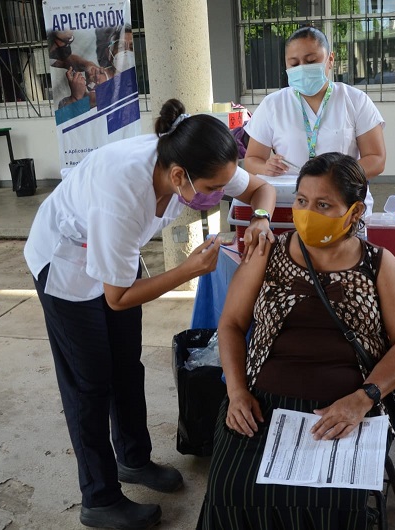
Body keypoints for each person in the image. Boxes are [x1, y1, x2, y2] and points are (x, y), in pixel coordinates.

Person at [24, 99, 277, 530]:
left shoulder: (195, 159)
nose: (219, 195)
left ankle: (133, 459)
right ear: (179, 176)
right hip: (65, 261)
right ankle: (99, 498)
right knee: (89, 383)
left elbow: (260, 189)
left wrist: (260, 219)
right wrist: (186, 270)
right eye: (213, 188)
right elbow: (119, 297)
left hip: (113, 259)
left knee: (126, 366)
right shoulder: (121, 192)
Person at [197, 152, 395, 529]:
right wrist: (236, 393)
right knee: (231, 491)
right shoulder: (267, 253)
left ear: (354, 213)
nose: (307, 212)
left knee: (331, 505)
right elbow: (232, 324)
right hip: (261, 407)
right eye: (302, 200)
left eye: (323, 204)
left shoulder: (379, 265)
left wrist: (362, 400)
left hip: (346, 412)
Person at [243, 26, 386, 214]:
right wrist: (266, 167)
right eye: (294, 64)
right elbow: (251, 160)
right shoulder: (273, 105)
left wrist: (335, 178)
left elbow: (376, 159)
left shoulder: (355, 100)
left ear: (330, 60)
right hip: (291, 203)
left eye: (311, 61)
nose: (302, 69)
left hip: (344, 203)